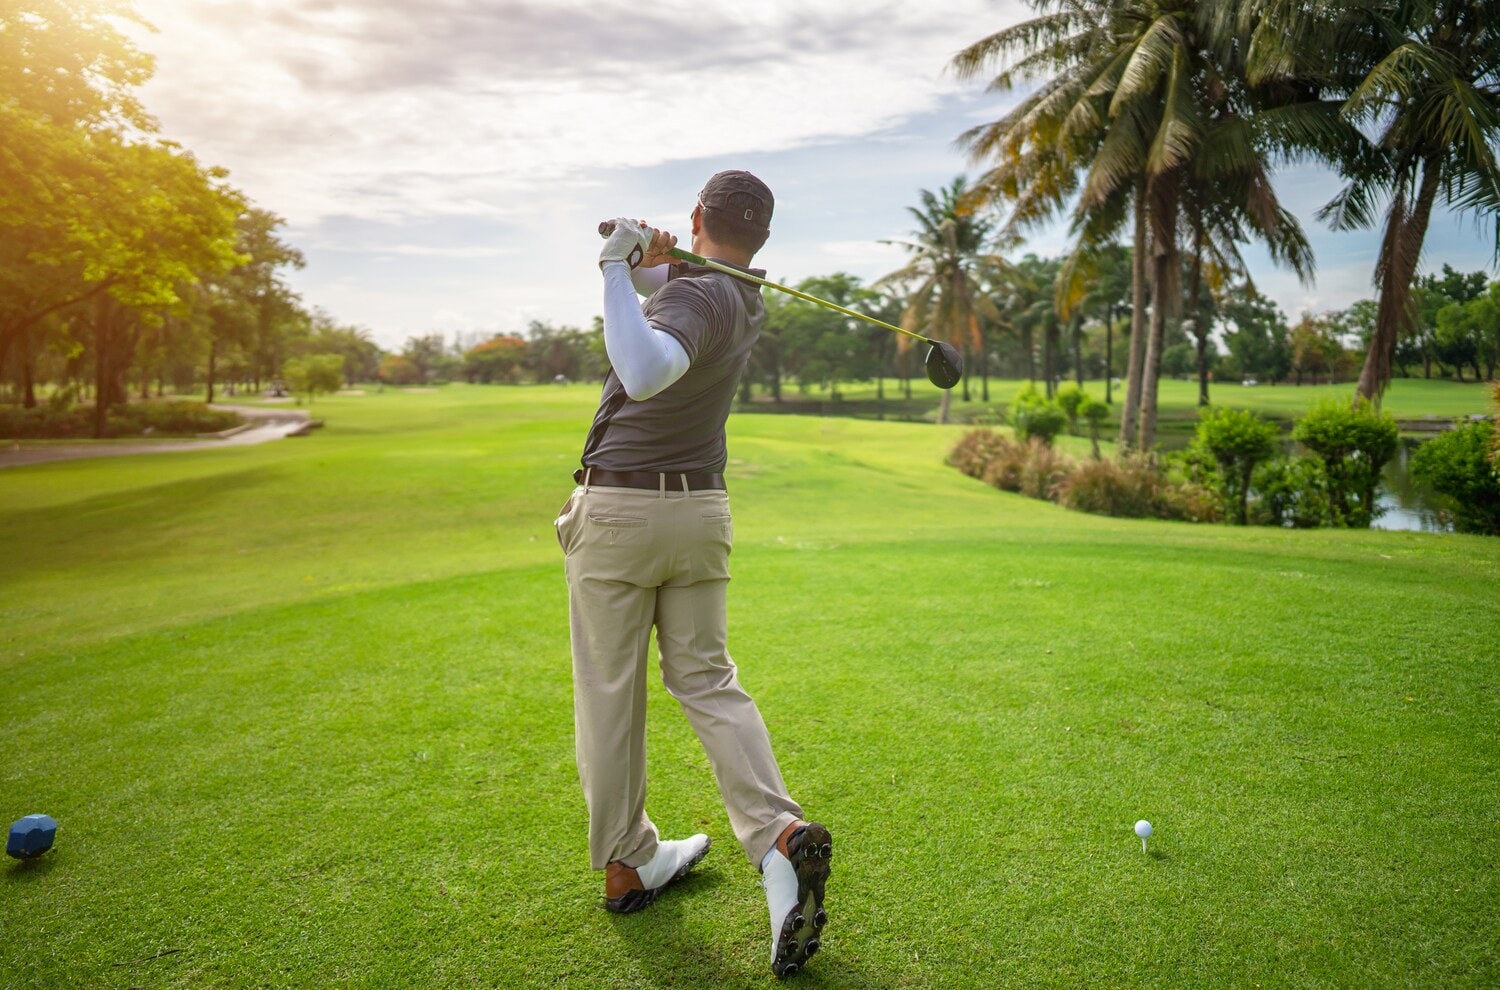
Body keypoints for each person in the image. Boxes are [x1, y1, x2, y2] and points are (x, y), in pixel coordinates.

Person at [553, 170, 832, 978]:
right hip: (699, 513)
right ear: (764, 239)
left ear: (698, 214)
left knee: (610, 693)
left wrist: (615, 269)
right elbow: (669, 287)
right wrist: (640, 253)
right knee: (708, 680)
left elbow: (642, 370)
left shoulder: (697, 299)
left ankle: (626, 861)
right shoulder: (739, 292)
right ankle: (779, 840)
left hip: (621, 517)